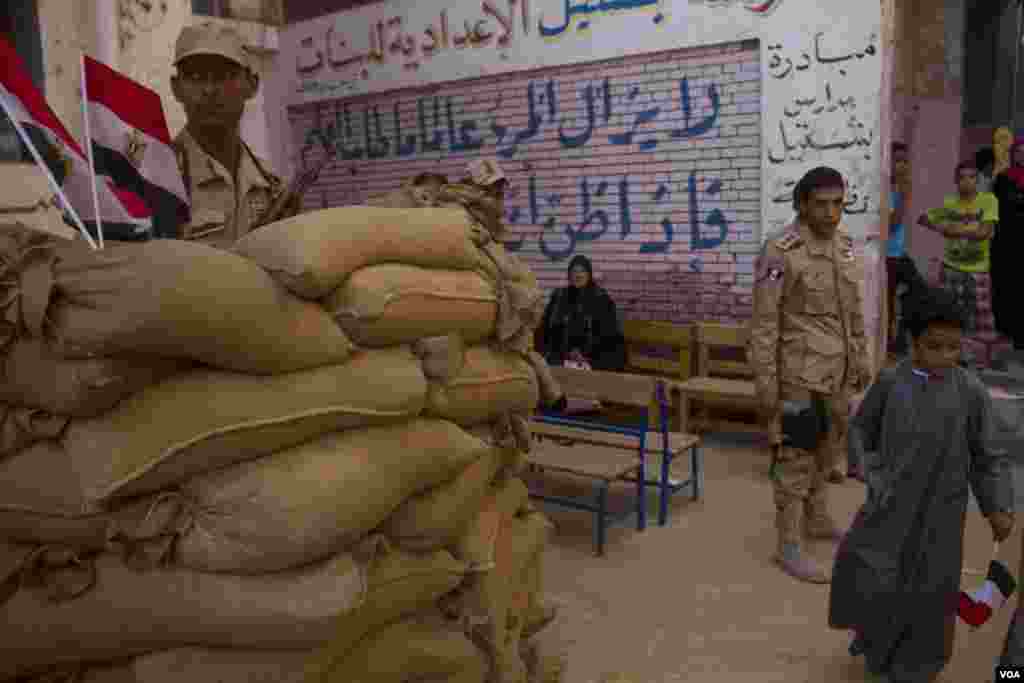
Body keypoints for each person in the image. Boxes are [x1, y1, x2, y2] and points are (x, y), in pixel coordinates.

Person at [829, 285, 1015, 683]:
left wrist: (997, 507)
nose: (946, 357)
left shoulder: (970, 391)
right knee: (876, 576)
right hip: (890, 508)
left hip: (942, 514)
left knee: (933, 590)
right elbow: (861, 432)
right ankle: (876, 648)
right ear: (912, 342)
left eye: (954, 347)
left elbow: (988, 457)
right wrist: (873, 477)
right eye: (935, 346)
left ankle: (921, 665)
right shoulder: (891, 382)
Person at [750, 166, 871, 583]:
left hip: (837, 372)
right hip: (798, 374)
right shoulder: (780, 251)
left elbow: (853, 310)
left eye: (838, 203)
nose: (832, 212)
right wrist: (765, 382)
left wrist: (862, 357)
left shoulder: (846, 247)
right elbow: (765, 323)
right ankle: (789, 544)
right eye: (822, 204)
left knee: (829, 446)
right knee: (796, 454)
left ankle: (817, 517)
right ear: (802, 204)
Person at [170, 22, 297, 246]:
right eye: (195, 76)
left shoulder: (272, 189)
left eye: (224, 75)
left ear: (252, 84)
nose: (209, 90)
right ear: (176, 88)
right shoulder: (158, 181)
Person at [917, 161, 998, 364]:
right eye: (962, 177)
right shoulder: (949, 203)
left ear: (978, 181)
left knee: (979, 317)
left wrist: (954, 229)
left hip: (977, 270)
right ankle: (955, 356)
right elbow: (923, 219)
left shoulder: (988, 201)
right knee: (951, 315)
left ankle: (982, 359)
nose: (967, 181)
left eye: (971, 177)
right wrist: (941, 227)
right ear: (955, 180)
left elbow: (984, 232)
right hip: (951, 268)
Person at [539, 254, 626, 372]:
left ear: (589, 274)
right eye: (574, 271)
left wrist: (584, 355)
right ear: (569, 275)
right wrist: (567, 353)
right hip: (561, 359)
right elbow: (547, 330)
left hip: (594, 360)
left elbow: (610, 335)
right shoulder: (559, 297)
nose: (578, 275)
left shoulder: (601, 299)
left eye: (582, 271)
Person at [991, 138, 1024, 356]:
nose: (1022, 155)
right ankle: (1004, 330)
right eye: (1019, 152)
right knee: (1005, 284)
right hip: (1006, 242)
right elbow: (999, 207)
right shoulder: (1003, 178)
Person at [887, 142, 913, 355]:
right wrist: (903, 194)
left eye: (905, 160)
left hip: (897, 252)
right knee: (887, 302)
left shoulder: (900, 188)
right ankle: (888, 343)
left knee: (914, 293)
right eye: (897, 160)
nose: (901, 165)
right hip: (887, 255)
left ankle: (898, 340)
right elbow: (893, 223)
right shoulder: (886, 189)